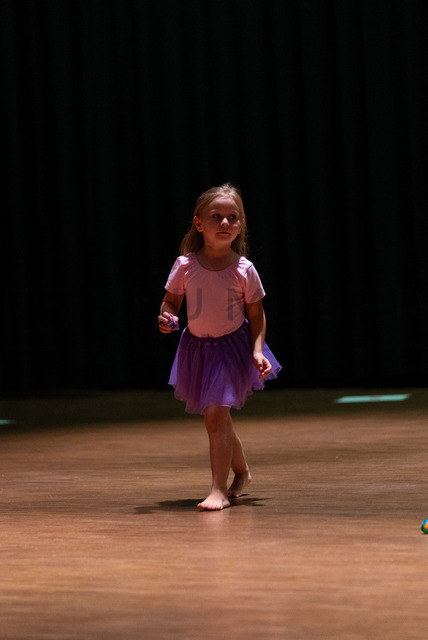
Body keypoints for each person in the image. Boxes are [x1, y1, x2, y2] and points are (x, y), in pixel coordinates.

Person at [158, 183, 281, 510]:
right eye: (216, 216)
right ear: (199, 223)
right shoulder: (185, 265)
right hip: (198, 349)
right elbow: (171, 302)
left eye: (233, 217)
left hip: (231, 349)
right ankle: (241, 472)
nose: (225, 222)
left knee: (215, 415)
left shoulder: (244, 269)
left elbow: (257, 315)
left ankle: (218, 490)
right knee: (218, 418)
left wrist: (257, 350)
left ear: (240, 225)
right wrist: (166, 317)